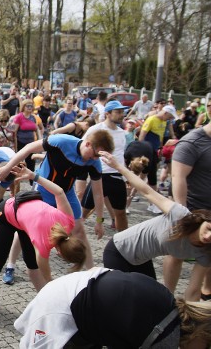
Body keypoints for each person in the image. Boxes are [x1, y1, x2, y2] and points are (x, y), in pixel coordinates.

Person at [0, 164, 86, 332]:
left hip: (26, 221)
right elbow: (48, 280)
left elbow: (59, 191)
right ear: (59, 252)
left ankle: (50, 307)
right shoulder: (43, 245)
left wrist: (34, 176)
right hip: (6, 213)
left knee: (33, 265)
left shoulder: (69, 222)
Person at [99, 151, 211, 302]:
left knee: (152, 300)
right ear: (204, 220)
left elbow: (193, 290)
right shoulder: (180, 215)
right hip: (118, 251)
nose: (208, 237)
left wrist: (193, 320)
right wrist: (118, 166)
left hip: (141, 260)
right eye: (210, 229)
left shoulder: (206, 252)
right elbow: (147, 191)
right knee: (123, 300)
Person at [0, 131, 114, 268]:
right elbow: (28, 148)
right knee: (26, 229)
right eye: (96, 154)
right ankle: (11, 264)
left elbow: (98, 193)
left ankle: (91, 272)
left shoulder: (94, 163)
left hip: (67, 193)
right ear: (88, 144)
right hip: (43, 189)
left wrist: (99, 221)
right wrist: (7, 168)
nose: (95, 159)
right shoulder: (61, 141)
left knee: (80, 230)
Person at [14, 267, 211, 349]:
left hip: (76, 287)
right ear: (201, 333)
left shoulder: (170, 304)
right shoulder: (167, 336)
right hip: (63, 306)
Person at [169, 118, 211, 300]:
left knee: (207, 258)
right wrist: (183, 213)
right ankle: (167, 297)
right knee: (176, 253)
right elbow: (178, 177)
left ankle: (205, 293)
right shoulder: (193, 141)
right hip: (193, 211)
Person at [80, 100, 130, 231]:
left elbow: (120, 155)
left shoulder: (121, 132)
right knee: (82, 213)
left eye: (122, 112)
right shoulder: (96, 129)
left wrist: (126, 176)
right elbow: (82, 147)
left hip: (118, 177)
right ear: (108, 113)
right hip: (100, 176)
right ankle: (67, 241)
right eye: (118, 112)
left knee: (121, 214)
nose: (122, 115)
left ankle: (123, 244)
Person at [12, 99, 42, 174]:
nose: (30, 108)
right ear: (23, 107)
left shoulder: (33, 117)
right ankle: (17, 180)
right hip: (20, 143)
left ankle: (32, 182)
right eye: (28, 106)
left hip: (31, 144)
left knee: (31, 163)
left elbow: (37, 129)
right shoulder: (19, 117)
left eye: (31, 106)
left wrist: (39, 141)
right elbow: (14, 132)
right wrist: (15, 147)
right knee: (19, 163)